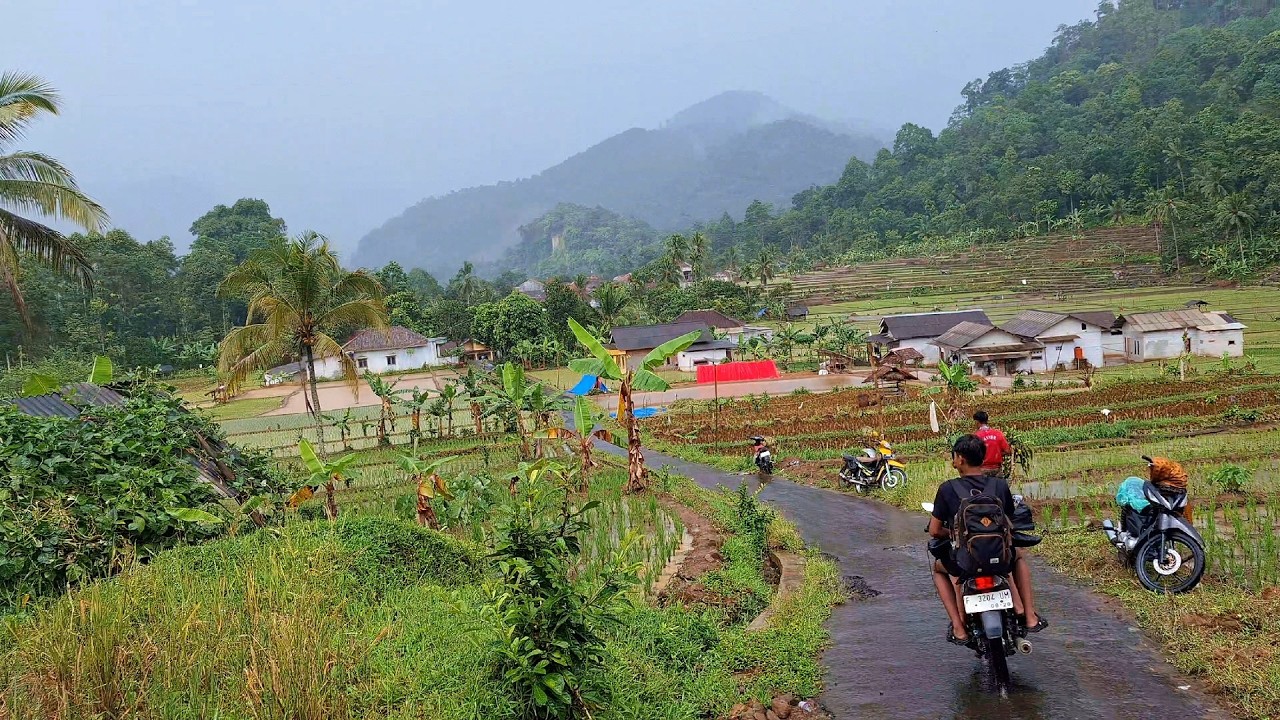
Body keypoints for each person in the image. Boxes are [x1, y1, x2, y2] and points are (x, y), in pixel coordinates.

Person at [928, 434, 1046, 646]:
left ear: (961, 459)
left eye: (954, 456)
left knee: (938, 569)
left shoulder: (947, 488)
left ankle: (958, 626)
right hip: (999, 560)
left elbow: (935, 531)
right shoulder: (999, 485)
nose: (953, 460)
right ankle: (1029, 616)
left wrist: (954, 533)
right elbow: (1009, 521)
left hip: (964, 562)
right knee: (1018, 557)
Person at [973, 410, 1012, 478]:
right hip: (997, 470)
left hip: (982, 470)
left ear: (977, 422)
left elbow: (973, 455)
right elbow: (1008, 451)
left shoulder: (976, 436)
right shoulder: (998, 433)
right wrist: (997, 453)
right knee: (999, 488)